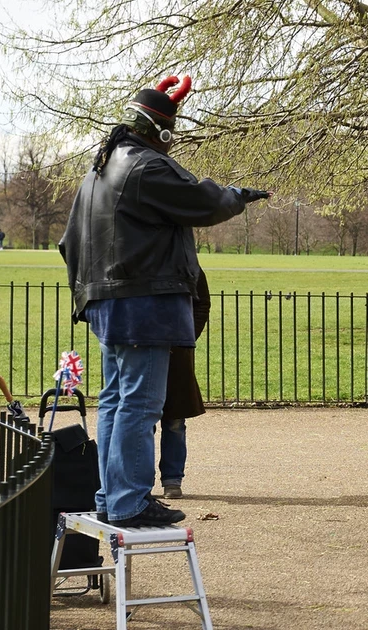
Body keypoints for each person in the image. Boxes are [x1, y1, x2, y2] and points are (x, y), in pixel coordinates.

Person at [60, 75, 269, 527]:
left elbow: (67, 243)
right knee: (138, 404)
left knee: (115, 401)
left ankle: (111, 497)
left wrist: (87, 293)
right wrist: (237, 197)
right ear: (161, 132)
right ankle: (130, 502)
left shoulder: (97, 170)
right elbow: (200, 200)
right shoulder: (146, 166)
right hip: (144, 304)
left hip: (106, 303)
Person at [158, 269, 210, 499]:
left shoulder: (188, 264)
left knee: (175, 421)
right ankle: (139, 482)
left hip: (176, 350)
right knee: (140, 421)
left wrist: (188, 336)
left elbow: (202, 303)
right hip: (142, 346)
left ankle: (172, 479)